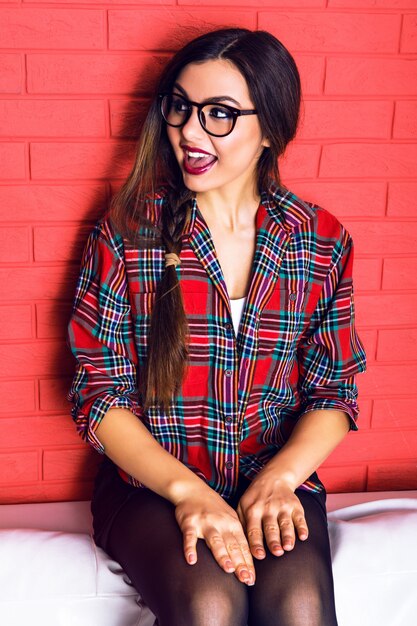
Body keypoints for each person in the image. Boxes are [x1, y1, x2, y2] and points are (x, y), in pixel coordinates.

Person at [67, 28, 366, 626]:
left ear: (272, 131)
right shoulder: (128, 234)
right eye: (180, 107)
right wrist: (189, 494)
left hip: (273, 477)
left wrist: (281, 479)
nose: (190, 133)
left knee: (301, 608)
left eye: (220, 115)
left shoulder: (320, 240)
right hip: (150, 486)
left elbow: (335, 392)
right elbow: (98, 397)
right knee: (210, 604)